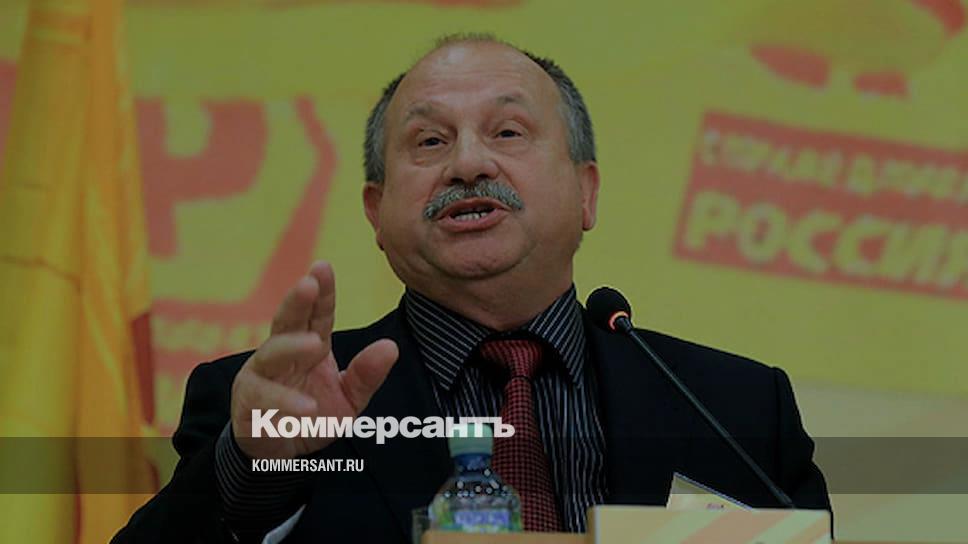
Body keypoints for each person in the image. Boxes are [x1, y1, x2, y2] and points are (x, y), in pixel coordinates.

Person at [113, 34, 830, 543]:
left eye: (508, 132)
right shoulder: (273, 408)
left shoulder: (735, 410)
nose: (467, 164)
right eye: (429, 142)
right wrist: (256, 472)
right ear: (376, 212)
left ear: (586, 191)